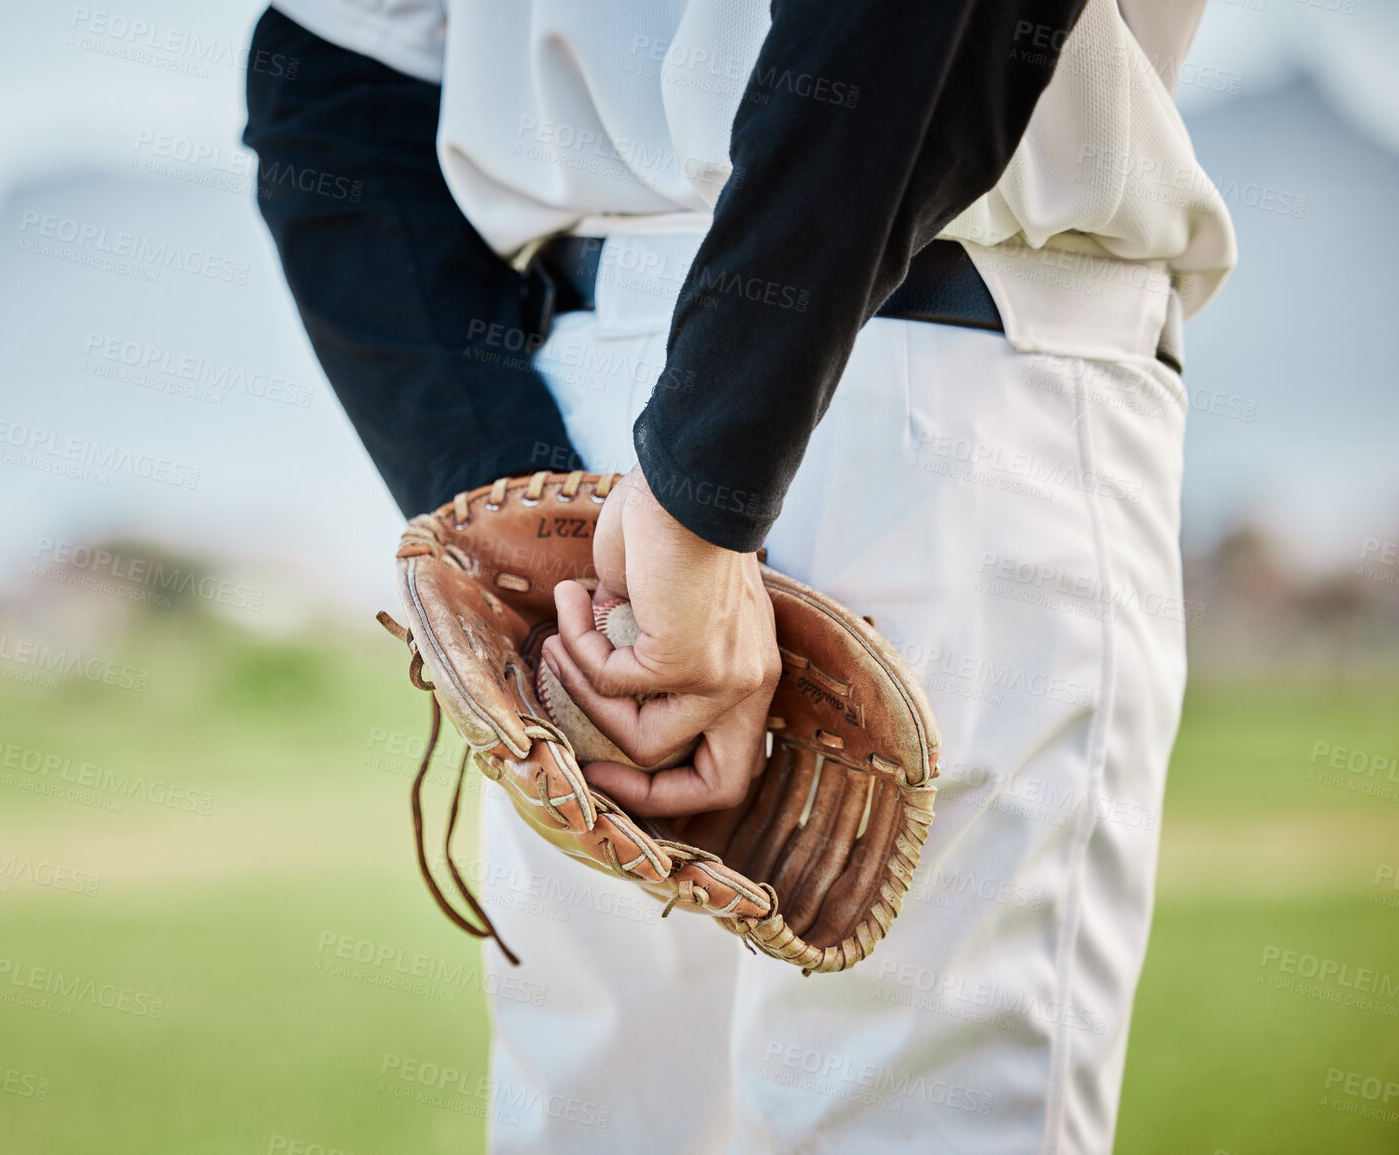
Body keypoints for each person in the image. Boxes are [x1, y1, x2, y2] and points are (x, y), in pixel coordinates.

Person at [244, 1, 1235, 1150]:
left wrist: (558, 527)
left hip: (596, 419)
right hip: (927, 391)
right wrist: (659, 510)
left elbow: (331, 85)